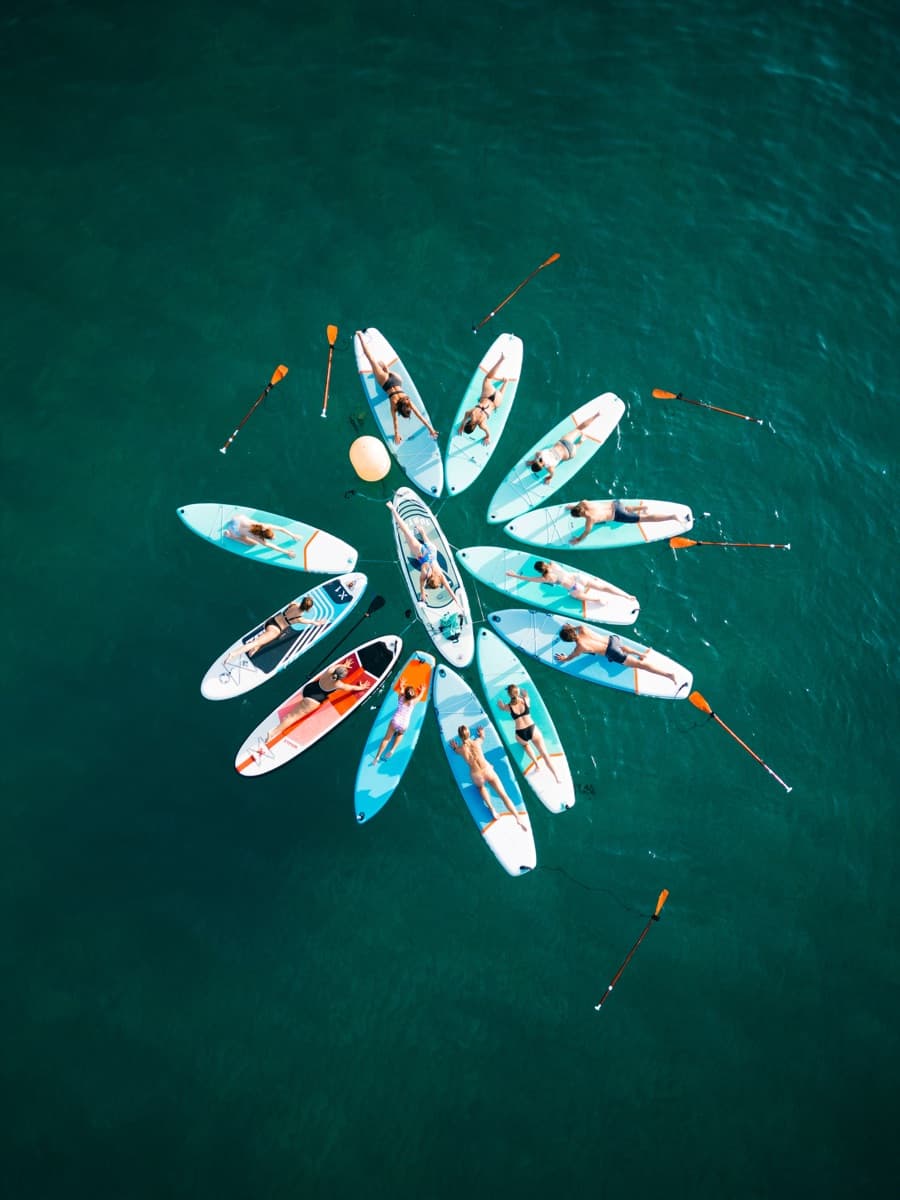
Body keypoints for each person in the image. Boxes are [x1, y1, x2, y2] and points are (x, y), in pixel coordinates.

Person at [356, 330, 438, 445]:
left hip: (397, 379)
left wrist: (431, 429)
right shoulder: (394, 404)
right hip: (385, 382)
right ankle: (360, 335)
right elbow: (396, 422)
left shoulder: (407, 400)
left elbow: (419, 416)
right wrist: (396, 434)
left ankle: (386, 369)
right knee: (371, 359)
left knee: (374, 362)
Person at [386, 500, 464, 611]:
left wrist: (458, 603)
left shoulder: (440, 575)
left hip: (432, 550)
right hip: (422, 553)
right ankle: (393, 509)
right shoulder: (424, 573)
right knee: (406, 531)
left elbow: (450, 591)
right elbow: (421, 584)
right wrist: (423, 593)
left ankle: (422, 532)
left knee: (427, 543)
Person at [266, 660, 371, 741]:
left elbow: (335, 667)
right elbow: (351, 688)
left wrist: (344, 665)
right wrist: (361, 687)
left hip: (308, 690)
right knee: (292, 717)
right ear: (341, 678)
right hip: (313, 700)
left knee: (292, 714)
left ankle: (280, 725)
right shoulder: (339, 684)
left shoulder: (330, 670)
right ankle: (273, 733)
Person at [554, 623, 684, 687]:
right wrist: (568, 628)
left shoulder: (580, 646)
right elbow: (572, 627)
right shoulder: (582, 628)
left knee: (640, 665)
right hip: (614, 639)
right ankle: (639, 653)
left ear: (569, 641)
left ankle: (668, 675)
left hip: (613, 652)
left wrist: (564, 659)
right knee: (619, 647)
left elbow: (572, 657)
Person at [449, 725, 527, 830]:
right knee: (503, 795)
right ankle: (517, 817)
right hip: (487, 770)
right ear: (469, 734)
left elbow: (455, 750)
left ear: (460, 736)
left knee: (481, 787)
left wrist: (454, 747)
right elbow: (482, 737)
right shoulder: (477, 742)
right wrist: (481, 733)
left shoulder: (461, 749)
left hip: (477, 775)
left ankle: (492, 808)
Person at [229, 596, 329, 662]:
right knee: (258, 642)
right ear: (308, 609)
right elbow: (313, 623)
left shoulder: (293, 605)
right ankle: (235, 653)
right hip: (275, 629)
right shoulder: (300, 619)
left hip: (270, 621)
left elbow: (292, 601)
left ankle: (255, 647)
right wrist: (320, 622)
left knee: (264, 639)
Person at [495, 684, 561, 783]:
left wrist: (500, 703)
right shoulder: (525, 700)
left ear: (509, 695)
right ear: (517, 692)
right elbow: (526, 694)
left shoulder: (508, 707)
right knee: (544, 753)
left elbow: (502, 707)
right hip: (533, 729)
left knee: (525, 745)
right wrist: (525, 694)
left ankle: (537, 765)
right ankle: (556, 777)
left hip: (520, 733)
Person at [506, 560, 637, 606]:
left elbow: (529, 579)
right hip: (579, 578)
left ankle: (598, 600)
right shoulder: (553, 564)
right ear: (545, 564)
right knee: (603, 587)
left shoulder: (545, 578)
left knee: (578, 597)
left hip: (574, 588)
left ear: (539, 571)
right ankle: (627, 596)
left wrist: (515, 575)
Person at [567, 499, 691, 545]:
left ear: (581, 515)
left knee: (646, 519)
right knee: (625, 508)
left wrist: (578, 540)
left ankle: (672, 516)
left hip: (619, 515)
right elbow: (579, 504)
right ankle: (642, 508)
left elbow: (586, 532)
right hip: (616, 504)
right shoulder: (584, 503)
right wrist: (572, 507)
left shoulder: (590, 519)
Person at [526, 411, 600, 485]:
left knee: (574, 450)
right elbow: (536, 454)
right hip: (563, 442)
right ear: (536, 461)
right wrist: (532, 461)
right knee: (578, 428)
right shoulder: (539, 454)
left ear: (542, 468)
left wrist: (549, 478)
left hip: (569, 452)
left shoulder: (549, 467)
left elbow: (552, 474)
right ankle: (596, 415)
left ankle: (581, 441)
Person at [458, 351, 508, 446]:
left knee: (500, 396)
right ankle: (501, 359)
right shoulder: (471, 414)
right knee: (487, 379)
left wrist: (487, 437)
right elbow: (465, 414)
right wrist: (461, 425)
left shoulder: (481, 424)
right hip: (487, 396)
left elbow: (488, 433)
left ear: (474, 428)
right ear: (467, 423)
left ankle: (506, 382)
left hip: (496, 401)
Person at [373, 679, 425, 763]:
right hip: (404, 723)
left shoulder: (401, 697)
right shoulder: (413, 702)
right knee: (400, 734)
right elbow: (420, 696)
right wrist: (422, 690)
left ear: (405, 694)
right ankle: (392, 750)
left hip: (395, 721)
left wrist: (402, 685)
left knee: (386, 739)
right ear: (413, 696)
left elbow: (401, 690)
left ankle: (377, 757)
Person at [222, 513, 302, 559]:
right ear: (263, 537)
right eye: (271, 537)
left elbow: (281, 529)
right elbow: (272, 546)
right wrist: (287, 552)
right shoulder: (257, 538)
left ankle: (231, 521)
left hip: (237, 518)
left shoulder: (263, 526)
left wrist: (293, 535)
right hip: (233, 530)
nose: (274, 537)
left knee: (247, 521)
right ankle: (230, 536)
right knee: (252, 543)